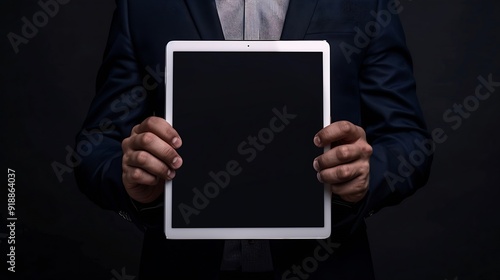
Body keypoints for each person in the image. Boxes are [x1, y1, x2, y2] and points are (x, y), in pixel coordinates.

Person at [75, 0, 433, 279]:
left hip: (326, 267)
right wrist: (131, 180)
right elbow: (95, 146)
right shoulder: (141, 5)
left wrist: (367, 174)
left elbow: (409, 140)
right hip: (182, 269)